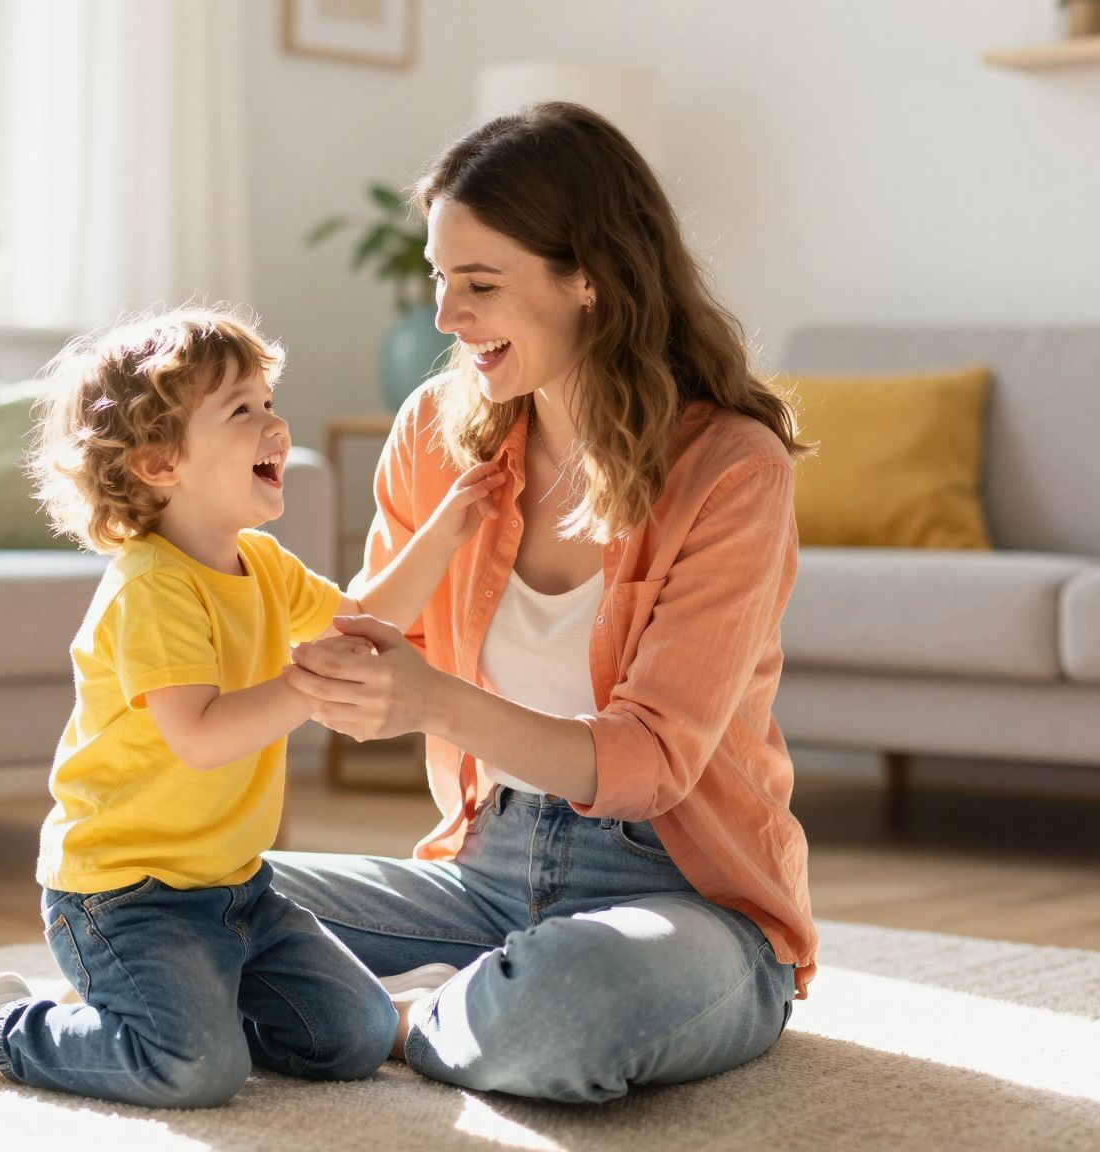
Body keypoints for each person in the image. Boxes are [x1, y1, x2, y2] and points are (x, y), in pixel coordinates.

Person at [272, 102, 819, 1104]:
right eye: (439, 279)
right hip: (485, 872)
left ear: (590, 278)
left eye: (480, 284)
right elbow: (362, 642)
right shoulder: (434, 433)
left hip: (681, 899)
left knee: (570, 1003)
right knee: (173, 893)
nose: (447, 317)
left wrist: (432, 700)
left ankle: (389, 1017)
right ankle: (464, 1001)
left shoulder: (730, 467)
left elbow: (652, 763)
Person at [0, 306, 507, 1109]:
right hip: (123, 898)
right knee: (193, 1071)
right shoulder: (151, 589)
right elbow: (202, 738)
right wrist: (305, 684)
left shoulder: (262, 563)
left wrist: (445, 533)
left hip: (236, 886)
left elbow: (360, 621)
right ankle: (1, 1027)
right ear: (158, 463)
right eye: (241, 410)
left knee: (353, 1039)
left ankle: (163, 1010)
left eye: (268, 401)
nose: (274, 425)